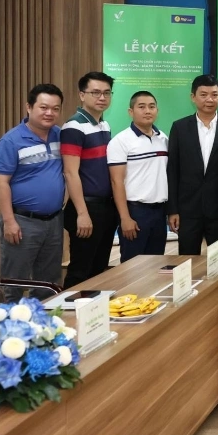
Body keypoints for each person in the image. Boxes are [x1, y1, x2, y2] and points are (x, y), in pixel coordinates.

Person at [0, 84, 65, 290]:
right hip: (22, 222)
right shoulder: (11, 141)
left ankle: (46, 313)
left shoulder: (60, 136)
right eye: (44, 107)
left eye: (55, 108)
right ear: (29, 107)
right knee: (15, 281)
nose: (49, 113)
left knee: (49, 283)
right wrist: (9, 221)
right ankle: (10, 313)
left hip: (54, 221)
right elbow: (0, 182)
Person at [167, 74, 218, 255]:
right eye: (204, 94)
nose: (210, 99)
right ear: (193, 97)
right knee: (187, 261)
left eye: (214, 94)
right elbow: (173, 171)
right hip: (188, 211)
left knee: (217, 262)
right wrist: (173, 210)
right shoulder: (180, 127)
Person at [61, 71, 119, 288]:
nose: (102, 97)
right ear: (82, 95)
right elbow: (70, 173)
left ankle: (93, 310)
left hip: (106, 207)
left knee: (98, 270)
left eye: (106, 93)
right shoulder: (73, 127)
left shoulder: (104, 125)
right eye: (95, 92)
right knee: (80, 271)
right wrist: (82, 214)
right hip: (86, 207)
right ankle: (68, 310)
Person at [107, 92, 169, 262]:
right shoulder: (121, 141)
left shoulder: (163, 138)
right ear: (131, 111)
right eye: (141, 107)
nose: (147, 111)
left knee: (156, 264)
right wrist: (125, 218)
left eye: (152, 106)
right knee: (132, 267)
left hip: (159, 212)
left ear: (157, 110)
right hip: (135, 212)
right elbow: (116, 181)